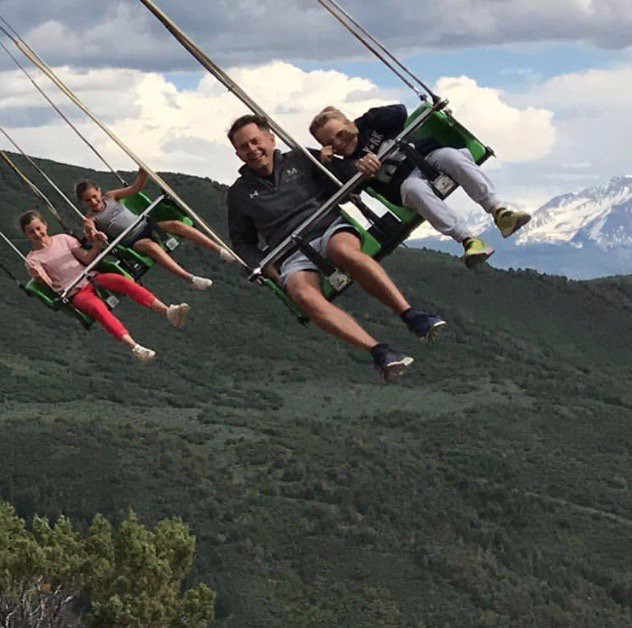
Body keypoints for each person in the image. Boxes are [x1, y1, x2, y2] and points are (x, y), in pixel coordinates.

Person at [226, 114, 447, 382]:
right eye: (244, 147)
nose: (252, 150)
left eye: (255, 141)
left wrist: (356, 165)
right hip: (289, 251)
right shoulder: (238, 194)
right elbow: (242, 242)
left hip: (328, 228)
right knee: (302, 294)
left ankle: (412, 315)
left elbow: (341, 177)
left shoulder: (300, 159)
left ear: (270, 140)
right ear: (237, 154)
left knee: (341, 252)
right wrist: (261, 264)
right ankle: (379, 352)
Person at [309, 104, 531, 267]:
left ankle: (499, 210)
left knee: (452, 158)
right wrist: (335, 164)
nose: (339, 143)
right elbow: (347, 189)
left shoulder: (371, 124)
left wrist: (360, 125)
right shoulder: (346, 165)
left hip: (428, 156)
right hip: (404, 184)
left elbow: (399, 112)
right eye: (330, 143)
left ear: (349, 124)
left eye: (341, 134)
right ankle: (468, 239)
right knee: (414, 190)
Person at [21, 210, 190, 364]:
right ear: (26, 235)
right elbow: (50, 287)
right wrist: (39, 277)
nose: (37, 234)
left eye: (38, 228)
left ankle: (167, 312)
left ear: (45, 225)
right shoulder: (33, 260)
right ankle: (135, 347)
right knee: (98, 308)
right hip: (75, 292)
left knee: (122, 281)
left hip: (91, 278)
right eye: (32, 232)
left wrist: (97, 246)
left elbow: (86, 259)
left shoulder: (63, 239)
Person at [78, 168, 229, 289]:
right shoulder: (91, 218)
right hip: (133, 240)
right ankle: (191, 278)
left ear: (99, 191)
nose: (93, 201)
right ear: (83, 203)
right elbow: (90, 230)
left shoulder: (111, 196)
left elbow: (135, 189)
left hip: (145, 225)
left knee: (176, 225)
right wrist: (94, 233)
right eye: (88, 200)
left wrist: (142, 175)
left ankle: (220, 250)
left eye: (94, 196)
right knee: (152, 248)